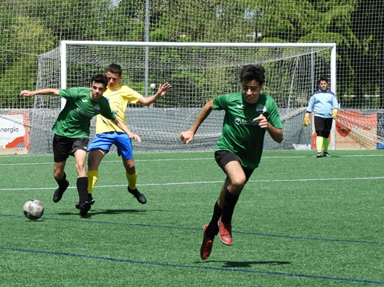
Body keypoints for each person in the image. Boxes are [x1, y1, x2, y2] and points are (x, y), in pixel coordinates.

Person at [180, 64, 283, 260]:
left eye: (253, 88)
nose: (249, 92)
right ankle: (225, 222)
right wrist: (192, 130)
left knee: (226, 195)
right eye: (245, 88)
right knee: (237, 181)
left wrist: (268, 126)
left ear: (261, 87)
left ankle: (210, 230)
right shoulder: (231, 100)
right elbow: (210, 104)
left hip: (250, 158)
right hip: (226, 149)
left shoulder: (268, 104)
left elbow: (279, 138)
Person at [19, 74, 141, 217]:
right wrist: (33, 93)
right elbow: (54, 91)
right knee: (57, 173)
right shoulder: (78, 93)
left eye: (100, 89)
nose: (96, 91)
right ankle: (63, 184)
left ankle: (84, 203)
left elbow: (115, 119)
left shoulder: (102, 103)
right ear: (91, 86)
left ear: (104, 89)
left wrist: (129, 132)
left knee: (81, 164)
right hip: (62, 134)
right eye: (94, 87)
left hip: (80, 136)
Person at [87, 63, 172, 205]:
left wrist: (157, 95)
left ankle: (132, 188)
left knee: (130, 166)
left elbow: (145, 101)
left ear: (120, 78)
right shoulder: (100, 89)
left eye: (114, 78)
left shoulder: (124, 90)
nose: (111, 81)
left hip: (121, 132)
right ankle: (87, 196)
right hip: (103, 133)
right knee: (92, 162)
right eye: (108, 78)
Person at [303, 76, 339, 158]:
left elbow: (335, 104)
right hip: (318, 116)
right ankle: (319, 152)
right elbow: (310, 106)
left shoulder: (331, 95)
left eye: (324, 83)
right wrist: (307, 115)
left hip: (329, 117)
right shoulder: (315, 95)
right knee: (319, 133)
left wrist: (335, 111)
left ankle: (325, 151)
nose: (323, 85)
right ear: (319, 85)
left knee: (326, 134)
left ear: (327, 84)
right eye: (321, 84)